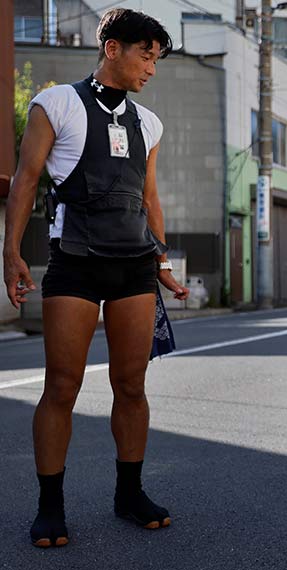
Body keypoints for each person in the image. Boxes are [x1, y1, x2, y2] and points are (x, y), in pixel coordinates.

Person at [3, 9, 188, 548]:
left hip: (134, 264)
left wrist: (164, 264)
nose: (152, 67)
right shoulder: (56, 103)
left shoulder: (148, 123)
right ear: (112, 48)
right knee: (62, 386)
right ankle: (50, 505)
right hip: (75, 260)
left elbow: (149, 198)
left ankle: (129, 493)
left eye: (157, 57)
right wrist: (10, 252)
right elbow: (25, 179)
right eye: (145, 54)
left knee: (131, 384)